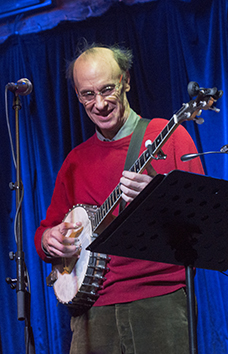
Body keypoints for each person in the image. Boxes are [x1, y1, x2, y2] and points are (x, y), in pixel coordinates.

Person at [34, 44, 204, 353]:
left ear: (125, 81)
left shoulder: (171, 135)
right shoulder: (75, 161)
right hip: (91, 314)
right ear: (77, 95)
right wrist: (49, 240)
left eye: (107, 89)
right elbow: (45, 232)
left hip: (159, 304)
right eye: (88, 94)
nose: (99, 104)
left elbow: (202, 222)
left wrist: (158, 198)